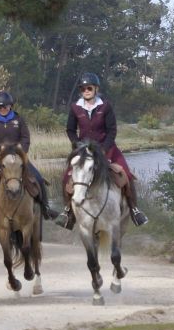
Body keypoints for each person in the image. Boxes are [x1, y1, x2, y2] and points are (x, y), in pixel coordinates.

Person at [56, 72, 148, 229]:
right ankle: (67, 213)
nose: (86, 90)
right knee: (67, 178)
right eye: (83, 88)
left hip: (107, 148)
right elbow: (70, 130)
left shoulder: (105, 106)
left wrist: (105, 149)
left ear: (96, 89)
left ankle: (134, 209)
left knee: (125, 174)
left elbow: (112, 130)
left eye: (89, 88)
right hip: (84, 150)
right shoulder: (75, 107)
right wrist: (77, 145)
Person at [0, 91, 58, 220]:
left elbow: (25, 138)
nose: (2, 109)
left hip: (18, 159)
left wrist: (21, 152)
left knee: (38, 179)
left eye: (5, 107)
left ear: (10, 106)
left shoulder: (18, 119)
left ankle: (46, 208)